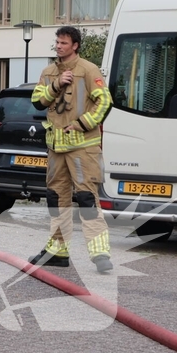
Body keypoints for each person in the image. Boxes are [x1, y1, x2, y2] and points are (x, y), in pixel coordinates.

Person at [29, 26, 114, 273]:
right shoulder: (49, 72)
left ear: (75, 45)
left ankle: (100, 254)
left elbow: (104, 101)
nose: (59, 46)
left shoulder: (88, 69)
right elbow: (37, 101)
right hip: (56, 148)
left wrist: (82, 124)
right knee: (56, 198)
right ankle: (58, 250)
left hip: (82, 148)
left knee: (87, 199)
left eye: (64, 42)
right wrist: (56, 84)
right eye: (57, 42)